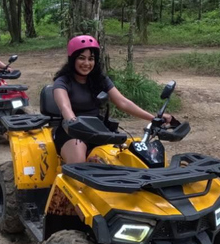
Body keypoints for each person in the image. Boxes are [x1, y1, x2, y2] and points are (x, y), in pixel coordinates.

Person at [52, 35, 172, 164]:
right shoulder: (62, 82)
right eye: (81, 58)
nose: (86, 63)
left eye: (91, 59)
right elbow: (65, 108)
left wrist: (153, 118)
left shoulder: (100, 80)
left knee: (124, 159)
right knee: (79, 165)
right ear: (73, 59)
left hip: (98, 129)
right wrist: (74, 124)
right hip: (72, 132)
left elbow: (122, 102)